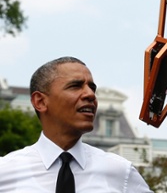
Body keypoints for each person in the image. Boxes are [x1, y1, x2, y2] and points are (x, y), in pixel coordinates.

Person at [0, 56, 153, 192]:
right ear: (40, 101)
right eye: (75, 86)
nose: (90, 94)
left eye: (92, 88)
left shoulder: (121, 173)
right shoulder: (5, 172)